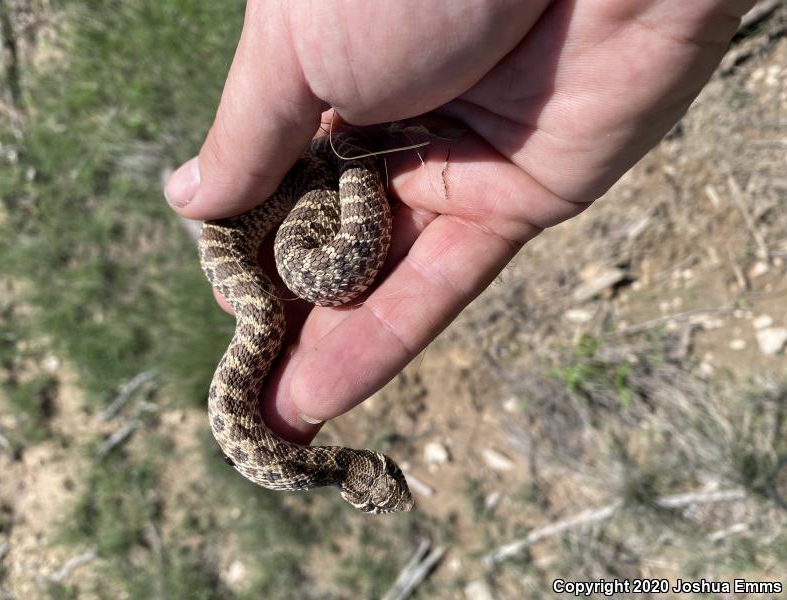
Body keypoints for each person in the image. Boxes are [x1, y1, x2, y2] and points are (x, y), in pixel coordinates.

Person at [164, 1, 755, 444]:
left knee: (294, 285)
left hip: (344, 179)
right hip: (321, 198)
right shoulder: (327, 180)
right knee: (277, 299)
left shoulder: (350, 153)